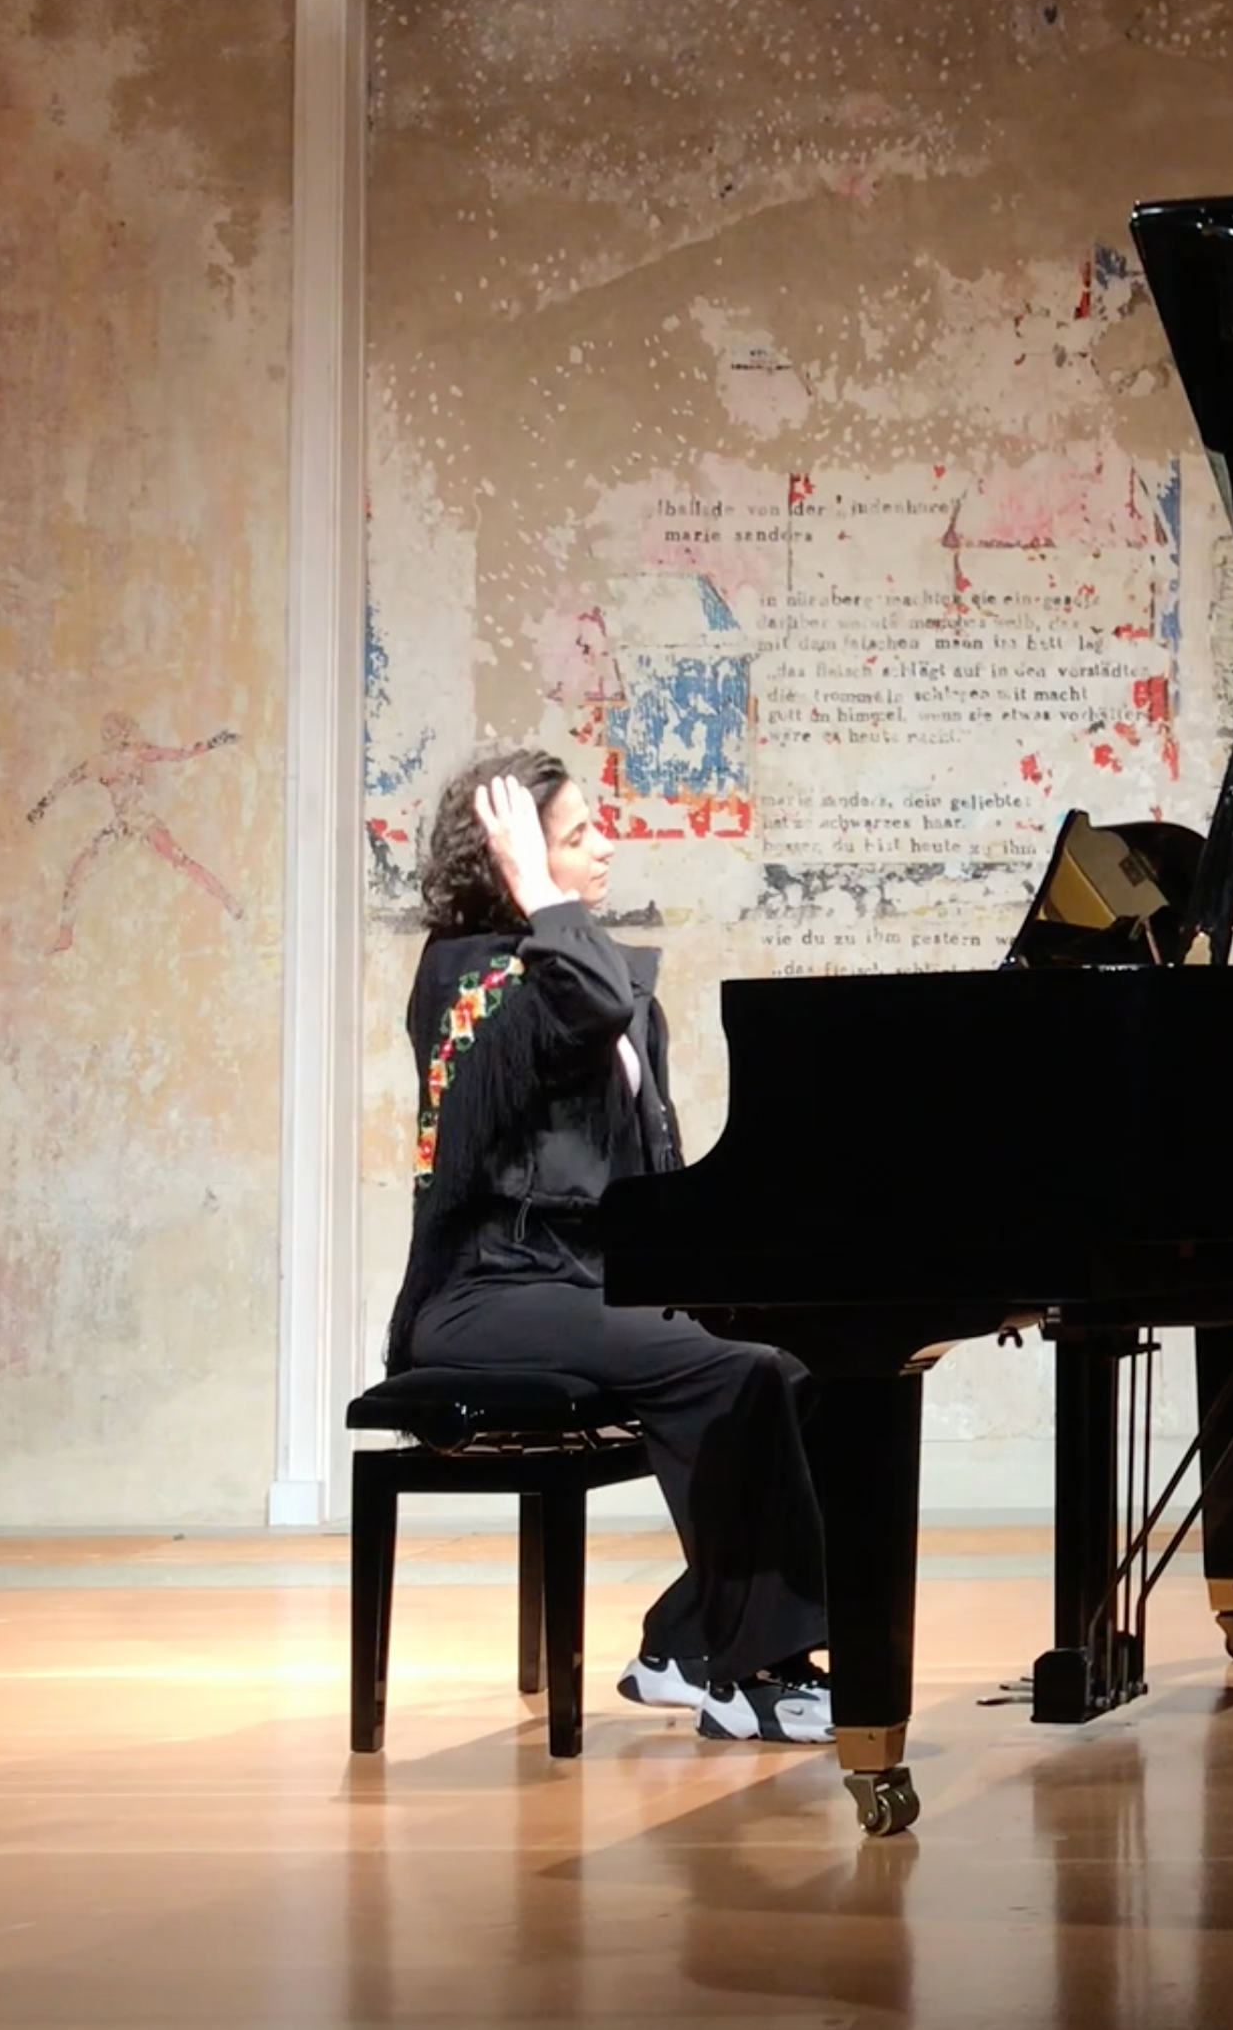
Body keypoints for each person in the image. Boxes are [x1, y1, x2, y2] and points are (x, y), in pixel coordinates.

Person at [387, 746, 835, 1743]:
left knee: (811, 1362)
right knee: (732, 1371)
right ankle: (750, 1673)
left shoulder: (584, 970)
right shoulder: (471, 977)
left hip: (581, 1279)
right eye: (576, 835)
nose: (605, 848)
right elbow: (587, 1000)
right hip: (486, 1291)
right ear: (512, 860)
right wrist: (539, 892)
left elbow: (647, 1163)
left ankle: (687, 1641)